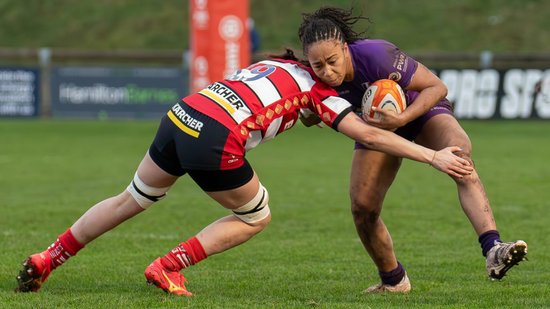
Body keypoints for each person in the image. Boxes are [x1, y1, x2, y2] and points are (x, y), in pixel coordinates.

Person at [15, 54, 473, 296]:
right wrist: (431, 157)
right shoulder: (324, 94)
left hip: (183, 113)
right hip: (214, 135)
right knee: (256, 216)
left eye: (334, 64)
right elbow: (370, 137)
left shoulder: (271, 62)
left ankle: (47, 258)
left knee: (130, 198)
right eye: (325, 64)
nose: (330, 71)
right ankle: (168, 266)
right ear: (318, 62)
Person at [297, 6, 528, 293]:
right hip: (377, 131)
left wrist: (403, 118)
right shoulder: (311, 78)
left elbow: (436, 86)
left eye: (332, 61)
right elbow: (310, 116)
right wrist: (308, 114)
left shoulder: (375, 55)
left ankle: (493, 248)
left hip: (417, 109)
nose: (327, 72)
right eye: (318, 66)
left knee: (459, 154)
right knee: (363, 208)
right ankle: (393, 280)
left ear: (345, 48)